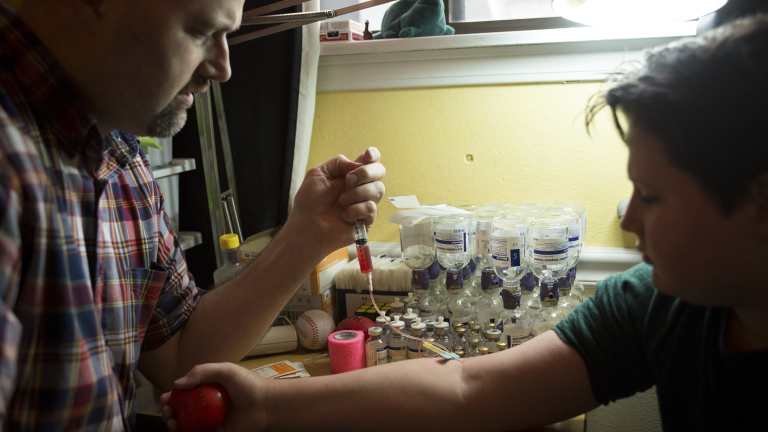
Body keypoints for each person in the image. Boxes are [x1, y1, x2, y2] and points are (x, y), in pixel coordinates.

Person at [163, 13, 768, 432]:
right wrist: (268, 404)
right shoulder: (659, 306)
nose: (630, 219)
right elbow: (467, 388)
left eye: (653, 197)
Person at [0, 0, 385, 429]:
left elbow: (182, 355)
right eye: (201, 31)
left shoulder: (119, 158)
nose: (223, 68)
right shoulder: (10, 160)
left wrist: (309, 234)